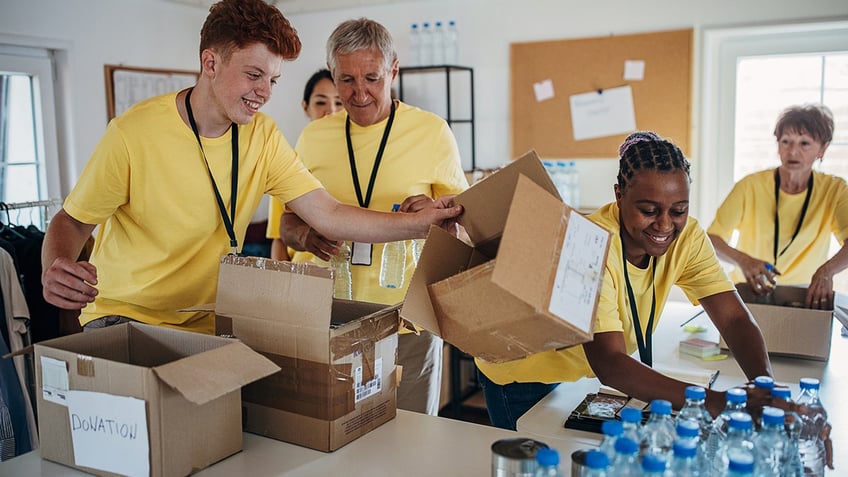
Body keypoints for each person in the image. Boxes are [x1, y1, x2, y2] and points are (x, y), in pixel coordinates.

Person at [39, 0, 462, 336]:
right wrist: (54, 264)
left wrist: (421, 223)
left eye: (273, 80)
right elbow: (72, 221)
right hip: (126, 317)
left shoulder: (262, 136)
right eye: (254, 75)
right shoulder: (133, 132)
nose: (264, 93)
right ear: (211, 64)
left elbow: (328, 213)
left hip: (208, 319)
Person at [475, 131, 774, 430]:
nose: (665, 224)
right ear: (619, 195)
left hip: (578, 373)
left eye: (678, 210)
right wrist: (716, 402)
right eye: (649, 210)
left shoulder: (688, 239)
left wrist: (765, 389)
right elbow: (610, 363)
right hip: (525, 374)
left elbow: (734, 317)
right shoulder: (588, 244)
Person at [275, 18, 468, 415]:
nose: (359, 93)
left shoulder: (432, 132)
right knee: (336, 436)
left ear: (393, 70)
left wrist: (429, 220)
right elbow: (286, 226)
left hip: (409, 318)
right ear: (332, 74)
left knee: (413, 438)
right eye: (346, 80)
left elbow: (466, 232)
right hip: (328, 318)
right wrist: (307, 237)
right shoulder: (313, 138)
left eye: (372, 78)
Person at [707, 104, 848, 309]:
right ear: (778, 145)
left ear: (822, 149)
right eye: (786, 141)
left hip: (802, 295)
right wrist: (743, 261)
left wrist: (827, 271)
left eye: (804, 143)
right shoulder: (750, 186)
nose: (793, 151)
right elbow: (712, 239)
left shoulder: (835, 190)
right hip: (748, 290)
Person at [268, 68, 343, 261]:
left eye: (339, 102)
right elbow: (278, 239)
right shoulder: (287, 162)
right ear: (305, 107)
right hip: (303, 276)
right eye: (320, 102)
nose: (331, 110)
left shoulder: (360, 161)